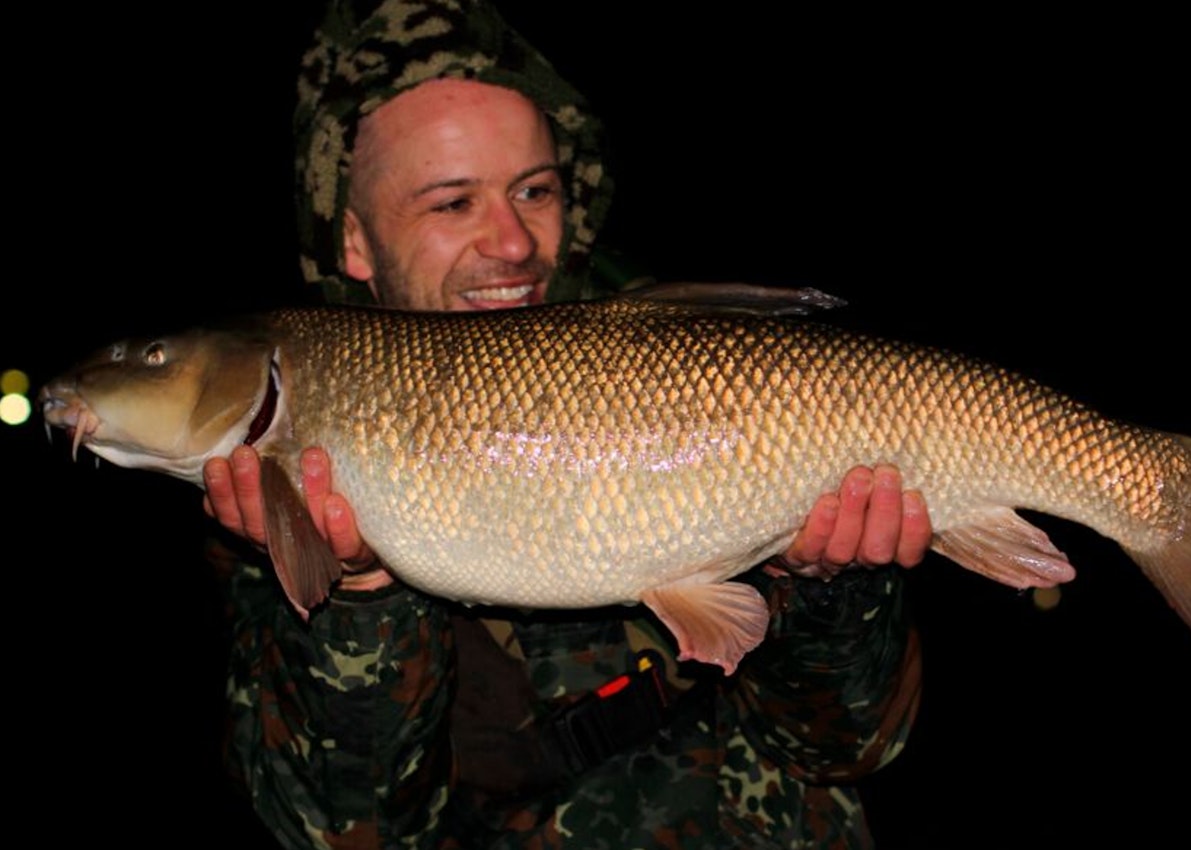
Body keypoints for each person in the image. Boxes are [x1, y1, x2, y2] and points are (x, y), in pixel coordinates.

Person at [204, 2, 931, 847]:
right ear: (355, 240)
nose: (512, 242)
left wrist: (830, 585)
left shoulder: (716, 378)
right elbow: (343, 829)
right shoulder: (274, 483)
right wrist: (359, 591)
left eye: (535, 190)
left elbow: (846, 747)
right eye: (452, 203)